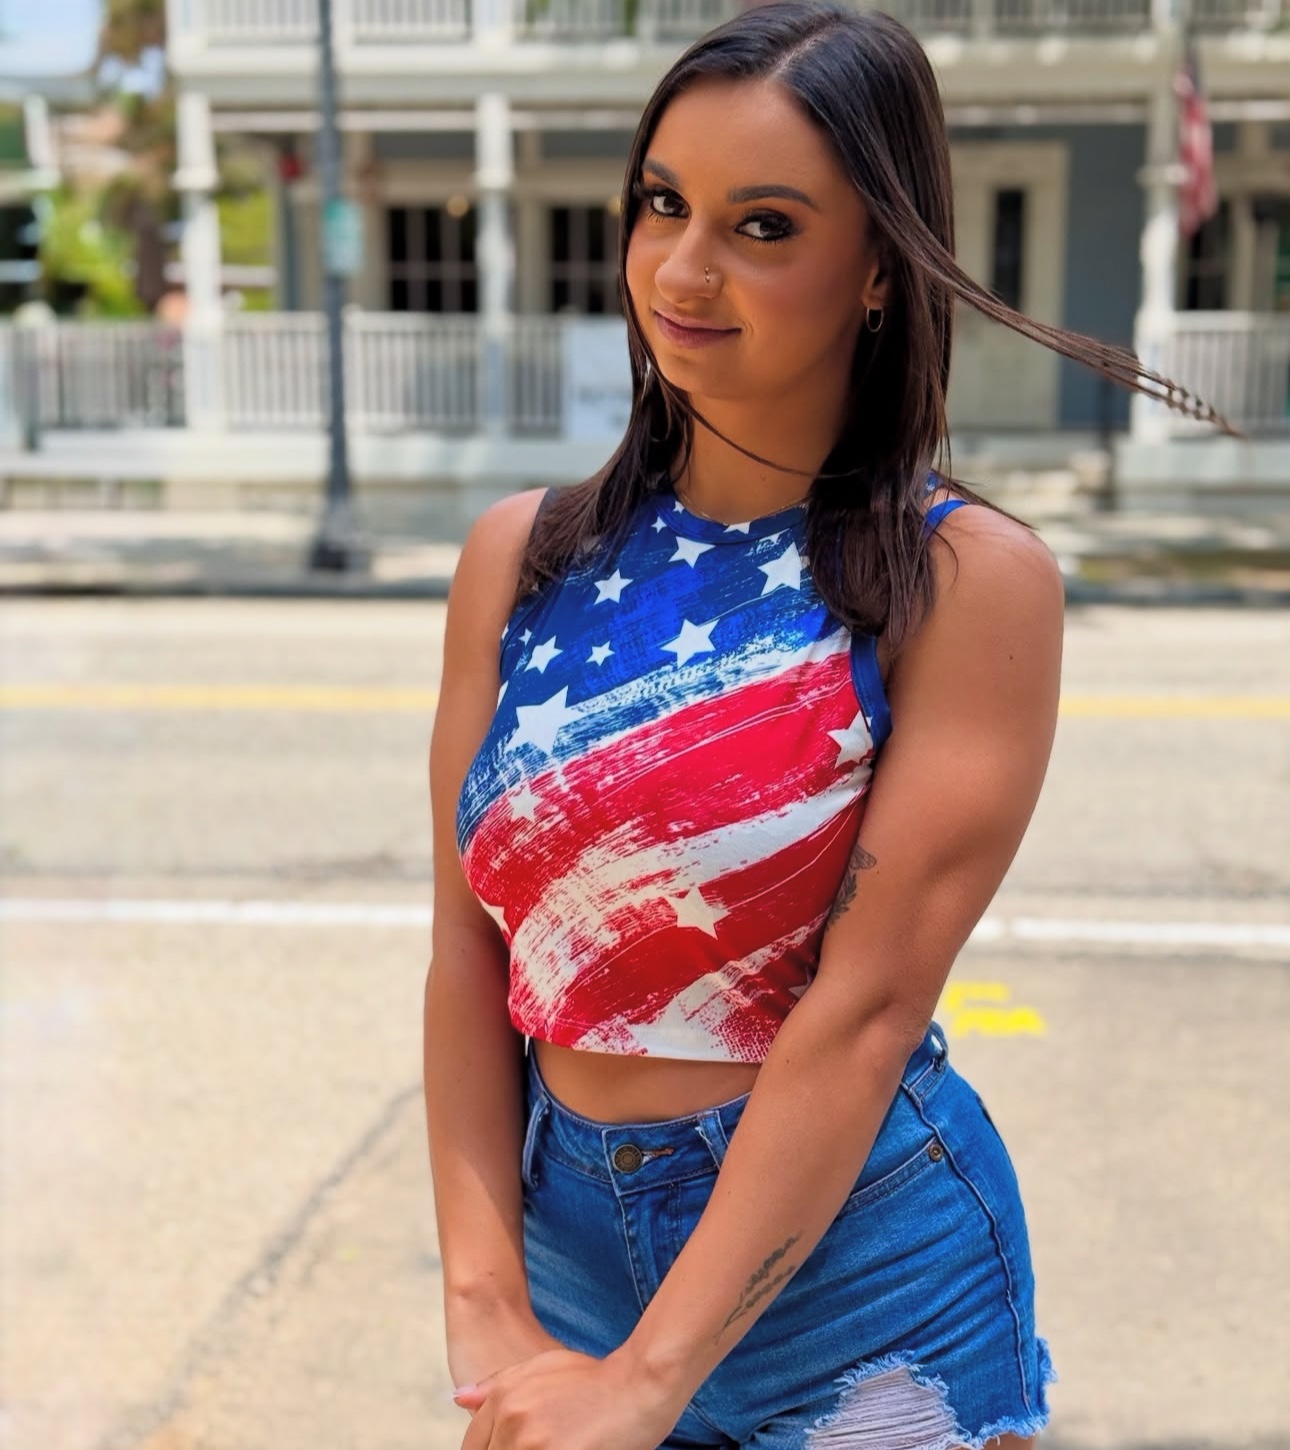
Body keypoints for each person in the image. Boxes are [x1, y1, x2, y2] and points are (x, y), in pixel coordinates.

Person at [424, 6, 1221, 1447]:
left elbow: (863, 1015)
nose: (684, 268)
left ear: (878, 267)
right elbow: (466, 948)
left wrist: (651, 1379)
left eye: (763, 226)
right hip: (564, 1247)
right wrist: (484, 1293)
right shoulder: (520, 557)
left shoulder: (962, 579)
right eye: (662, 203)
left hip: (864, 1284)